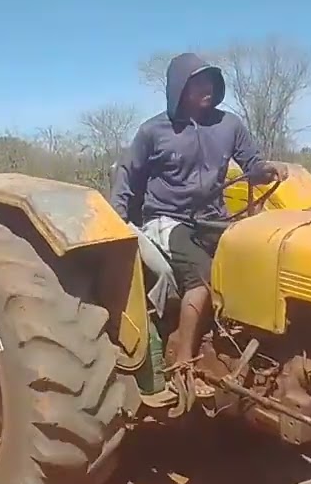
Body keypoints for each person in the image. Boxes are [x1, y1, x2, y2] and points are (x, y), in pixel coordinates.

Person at [109, 52, 286, 398]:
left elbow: (252, 164)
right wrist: (117, 221)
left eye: (211, 82)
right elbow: (127, 177)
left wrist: (267, 170)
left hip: (213, 219)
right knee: (202, 278)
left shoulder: (228, 125)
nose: (208, 88)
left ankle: (240, 349)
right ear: (180, 88)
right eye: (198, 82)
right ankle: (183, 362)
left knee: (251, 268)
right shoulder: (153, 131)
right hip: (166, 218)